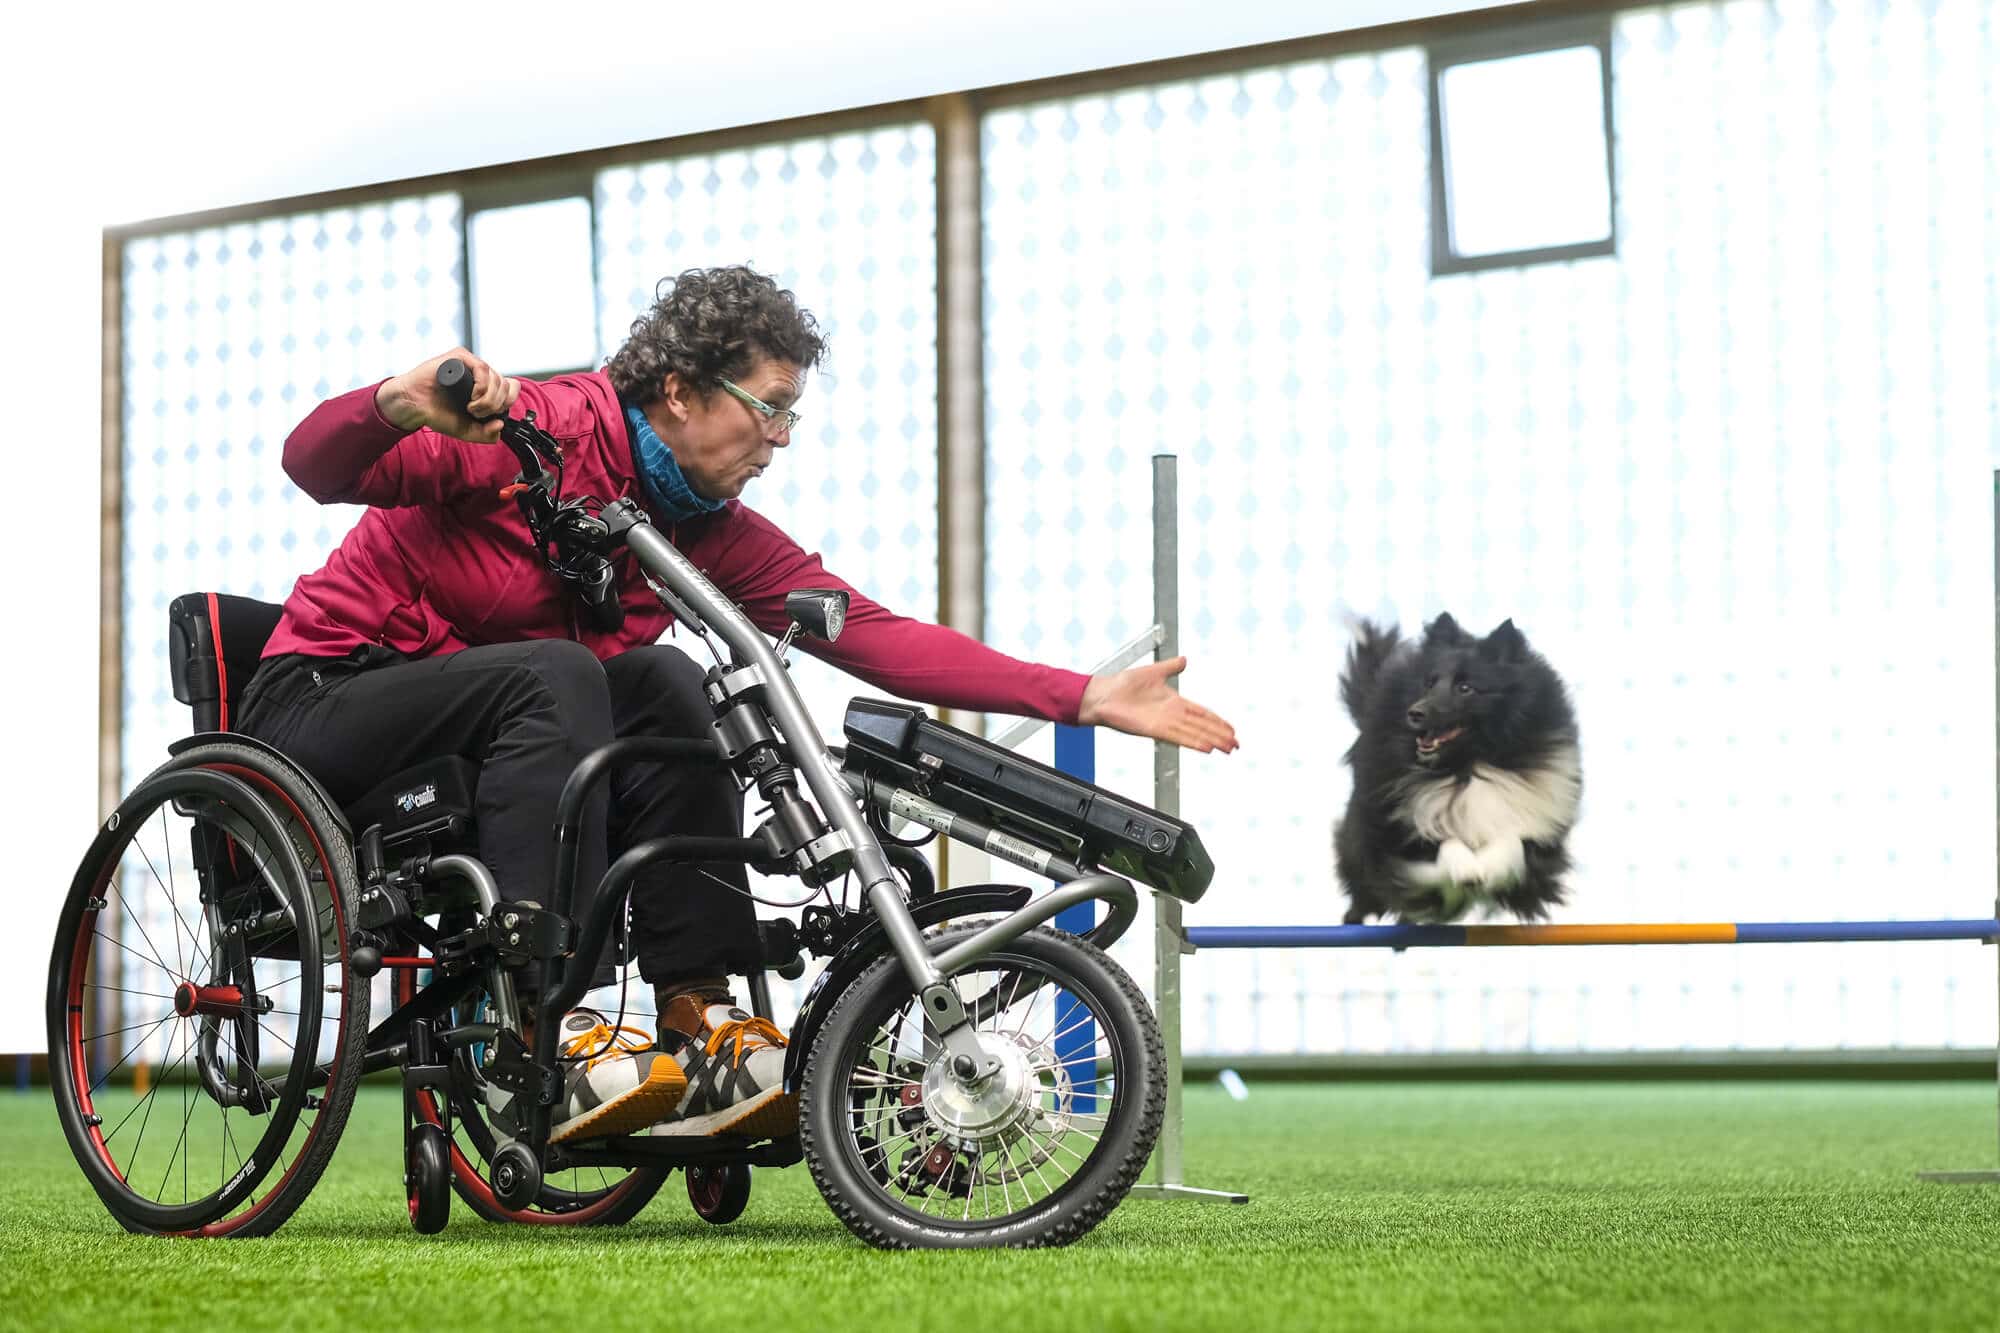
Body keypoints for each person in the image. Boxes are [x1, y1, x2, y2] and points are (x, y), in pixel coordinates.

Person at [237, 264, 1238, 1144]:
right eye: (768, 407)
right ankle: (538, 1017)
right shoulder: (525, 431)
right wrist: (397, 400)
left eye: (790, 414)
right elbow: (312, 465)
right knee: (560, 669)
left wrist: (1083, 695)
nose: (781, 438)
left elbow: (874, 634)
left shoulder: (702, 526)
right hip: (329, 702)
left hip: (490, 737)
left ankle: (698, 1013)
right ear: (677, 391)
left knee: (673, 679)